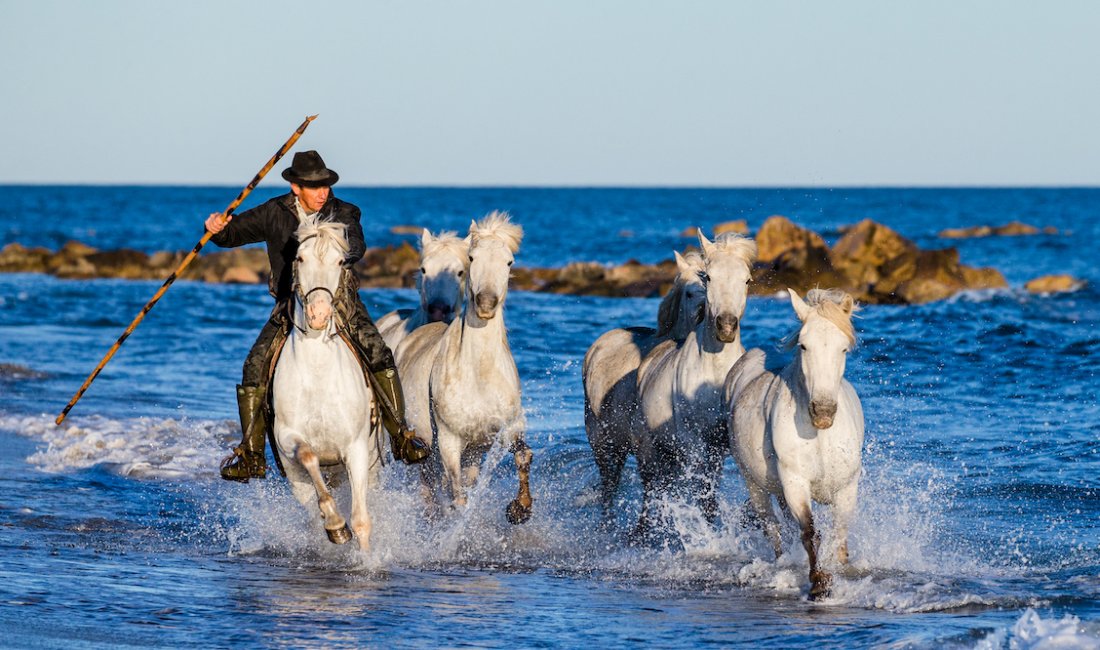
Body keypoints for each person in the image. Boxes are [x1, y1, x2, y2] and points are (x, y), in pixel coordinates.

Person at [206, 150, 430, 481]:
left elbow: (356, 246)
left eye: (325, 184)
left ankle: (400, 436)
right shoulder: (274, 212)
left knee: (379, 353)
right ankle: (251, 455)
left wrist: (336, 248)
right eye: (313, 186)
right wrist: (217, 227)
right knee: (254, 364)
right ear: (296, 187)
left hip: (342, 302)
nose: (322, 191)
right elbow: (233, 234)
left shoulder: (344, 212)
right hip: (290, 307)